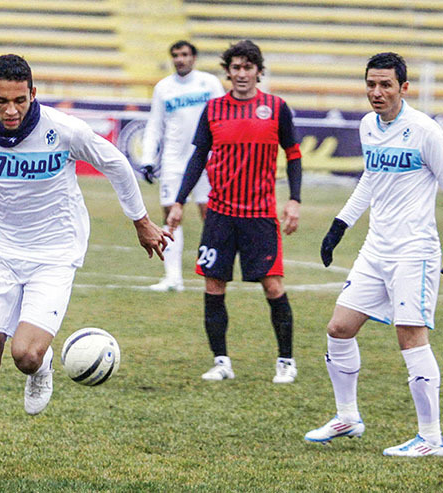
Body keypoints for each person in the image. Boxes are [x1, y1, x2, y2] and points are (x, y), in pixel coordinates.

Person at [0, 54, 171, 476]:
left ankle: (42, 365)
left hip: (55, 253)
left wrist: (141, 221)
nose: (12, 110)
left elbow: (114, 163)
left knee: (24, 354)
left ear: (33, 94)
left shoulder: (64, 129)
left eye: (20, 99)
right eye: (2, 100)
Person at [305, 52, 443, 457]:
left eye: (385, 85)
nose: (376, 92)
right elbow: (371, 178)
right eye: (371, 84)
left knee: (410, 338)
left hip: (413, 250)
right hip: (375, 248)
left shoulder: (424, 130)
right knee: (339, 328)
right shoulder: (368, 125)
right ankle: (347, 416)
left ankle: (432, 437)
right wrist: (339, 225)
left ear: (404, 87)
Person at [167, 40, 302, 384]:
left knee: (273, 286)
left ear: (259, 71)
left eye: (248, 67)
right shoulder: (213, 110)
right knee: (214, 286)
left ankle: (286, 361)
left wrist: (294, 199)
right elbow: (198, 158)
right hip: (220, 215)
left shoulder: (276, 107)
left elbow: (294, 154)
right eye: (236, 68)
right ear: (227, 72)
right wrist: (180, 201)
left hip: (260, 216)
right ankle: (221, 361)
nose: (242, 74)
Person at [141, 40, 225, 292]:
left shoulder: (209, 83)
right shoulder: (163, 88)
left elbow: (224, 117)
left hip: (207, 161)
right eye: (176, 55)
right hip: (174, 163)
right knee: (171, 217)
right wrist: (148, 158)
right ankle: (173, 278)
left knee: (210, 216)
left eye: (185, 55)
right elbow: (155, 124)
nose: (180, 59)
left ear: (194, 58)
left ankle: (216, 274)